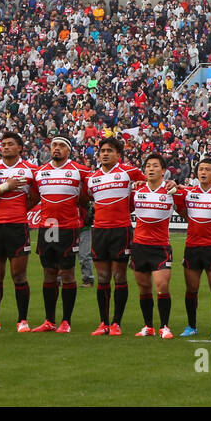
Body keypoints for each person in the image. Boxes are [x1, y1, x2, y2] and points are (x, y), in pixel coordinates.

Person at [0, 132, 39, 332]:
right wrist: (6, 186)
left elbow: (35, 196)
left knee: (18, 275)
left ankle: (23, 320)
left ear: (20, 147)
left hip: (18, 227)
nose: (5, 147)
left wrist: (19, 209)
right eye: (3, 144)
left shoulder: (31, 170)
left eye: (10, 144)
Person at [30, 136, 88, 333]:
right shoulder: (40, 172)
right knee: (49, 273)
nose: (56, 148)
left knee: (68, 273)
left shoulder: (80, 171)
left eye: (61, 145)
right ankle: (49, 320)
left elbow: (88, 195)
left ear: (68, 150)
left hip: (68, 227)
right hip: (48, 227)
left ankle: (66, 321)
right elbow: (32, 197)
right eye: (54, 145)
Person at [82, 136, 134, 335]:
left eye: (109, 150)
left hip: (121, 230)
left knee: (119, 276)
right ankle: (103, 323)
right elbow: (86, 198)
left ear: (118, 155)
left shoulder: (129, 172)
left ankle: (116, 323)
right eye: (102, 151)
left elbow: (146, 184)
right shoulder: (92, 178)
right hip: (100, 231)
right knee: (103, 277)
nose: (105, 153)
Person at [176, 158, 211, 337]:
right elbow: (183, 213)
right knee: (191, 289)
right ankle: (191, 326)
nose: (203, 172)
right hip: (192, 247)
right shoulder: (188, 192)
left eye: (207, 169)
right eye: (200, 169)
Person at [131, 153, 177, 338]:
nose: (151, 169)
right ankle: (148, 326)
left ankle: (164, 326)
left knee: (162, 286)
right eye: (148, 166)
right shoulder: (136, 190)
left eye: (155, 166)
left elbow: (185, 206)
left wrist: (176, 185)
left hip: (160, 247)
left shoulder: (171, 191)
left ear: (163, 171)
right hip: (139, 246)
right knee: (144, 288)